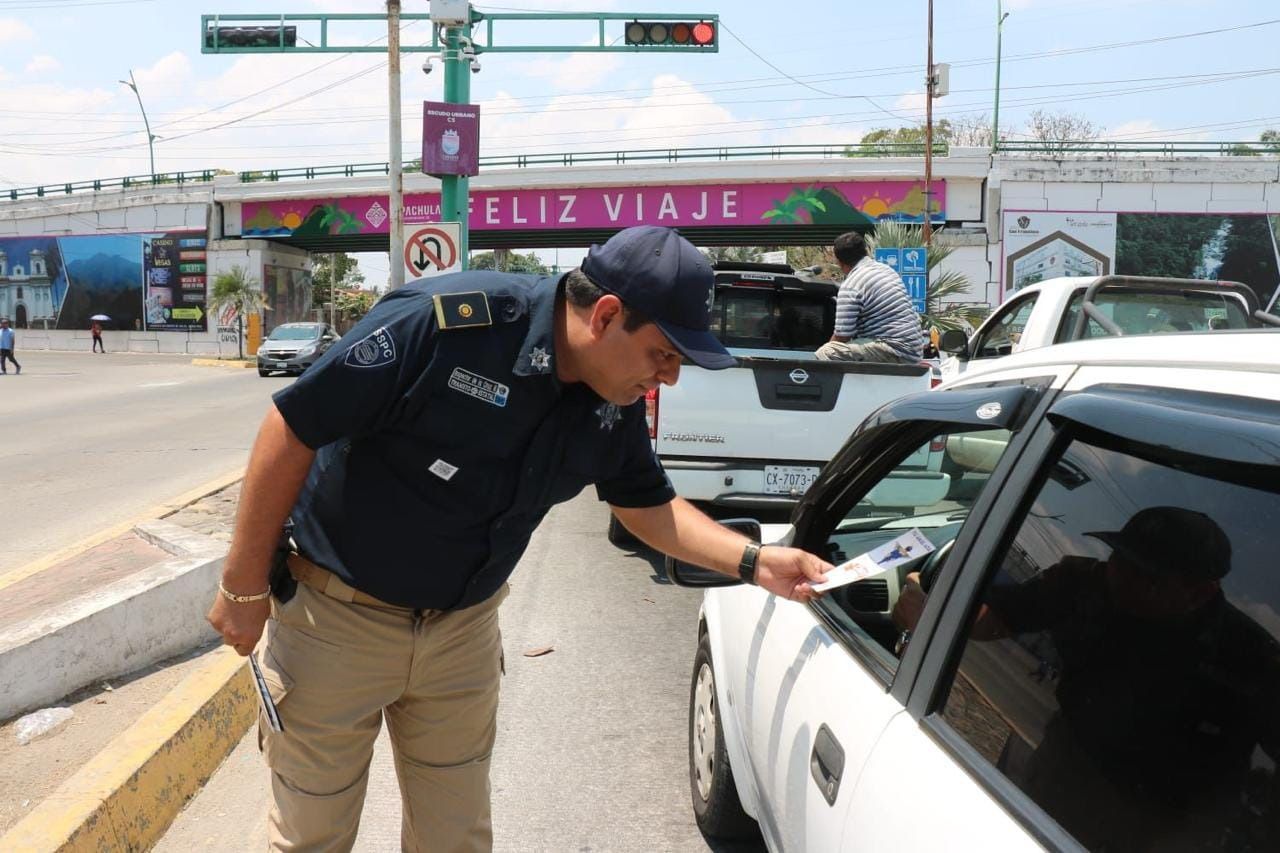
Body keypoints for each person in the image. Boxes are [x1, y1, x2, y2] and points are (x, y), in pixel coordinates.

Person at [206, 226, 832, 852]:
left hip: (461, 636)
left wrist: (755, 563)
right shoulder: (444, 329)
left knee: (457, 841)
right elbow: (291, 427)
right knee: (311, 838)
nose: (668, 379)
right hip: (336, 624)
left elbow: (647, 506)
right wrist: (242, 586)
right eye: (664, 355)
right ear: (607, 315)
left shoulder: (611, 401)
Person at [892, 506, 1280, 849]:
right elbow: (999, 616)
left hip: (1174, 816)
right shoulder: (1083, 583)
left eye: (1145, 575)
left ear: (1200, 593)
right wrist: (934, 616)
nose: (1120, 577)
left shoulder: (1250, 654)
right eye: (1119, 559)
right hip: (1070, 767)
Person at [815, 231, 924, 363]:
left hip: (894, 350)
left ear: (839, 261)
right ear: (865, 251)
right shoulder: (886, 270)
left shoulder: (851, 285)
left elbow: (842, 336)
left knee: (826, 352)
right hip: (914, 350)